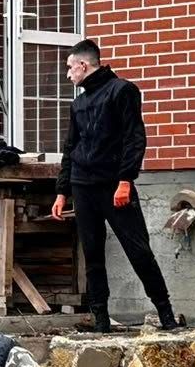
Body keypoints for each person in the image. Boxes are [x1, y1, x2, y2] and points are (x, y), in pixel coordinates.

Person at [48, 40, 178, 334]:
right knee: (92, 254)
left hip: (114, 185)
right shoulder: (78, 104)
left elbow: (135, 137)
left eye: (70, 67)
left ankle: (166, 313)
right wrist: (62, 191)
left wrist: (125, 180)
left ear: (83, 65)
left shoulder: (122, 91)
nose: (68, 74)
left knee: (138, 250)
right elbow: (70, 148)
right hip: (83, 186)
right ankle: (101, 320)